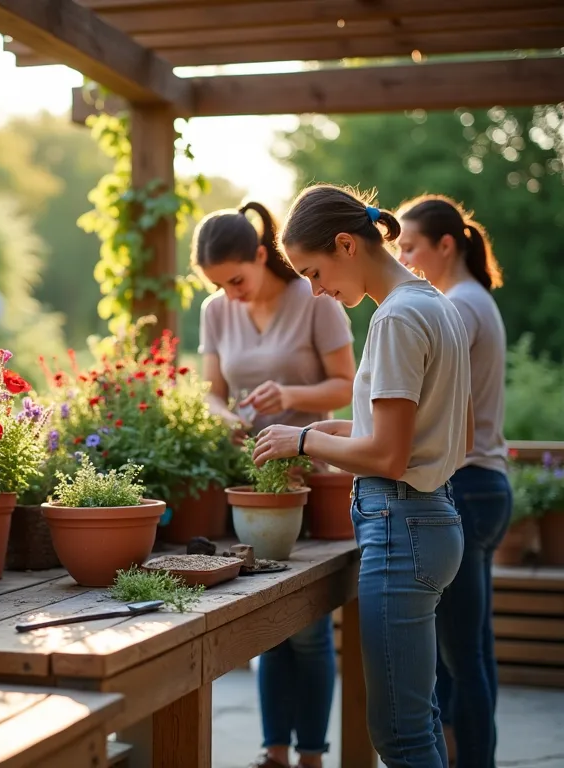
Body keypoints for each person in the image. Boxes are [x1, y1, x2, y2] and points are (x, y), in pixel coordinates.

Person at [251, 184, 473, 768]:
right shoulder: (437, 305)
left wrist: (304, 439)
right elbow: (449, 434)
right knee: (416, 719)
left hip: (401, 525)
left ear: (346, 244)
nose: (318, 291)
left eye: (314, 272)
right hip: (432, 517)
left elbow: (391, 459)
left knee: (396, 734)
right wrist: (343, 428)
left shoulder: (396, 320)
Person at [193, 201, 356, 768]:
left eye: (237, 279)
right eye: (219, 285)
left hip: (313, 475)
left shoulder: (315, 299)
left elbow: (346, 384)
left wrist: (288, 398)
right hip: (253, 479)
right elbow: (211, 391)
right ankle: (275, 753)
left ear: (262, 256)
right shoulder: (217, 311)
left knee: (308, 627)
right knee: (267, 625)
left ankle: (310, 754)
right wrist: (225, 416)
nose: (231, 295)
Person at [398, 194, 511, 768]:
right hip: (488, 485)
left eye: (412, 246)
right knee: (473, 652)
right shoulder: (474, 301)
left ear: (446, 245)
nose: (404, 258)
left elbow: (431, 406)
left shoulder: (457, 307)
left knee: (458, 659)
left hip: (466, 487)